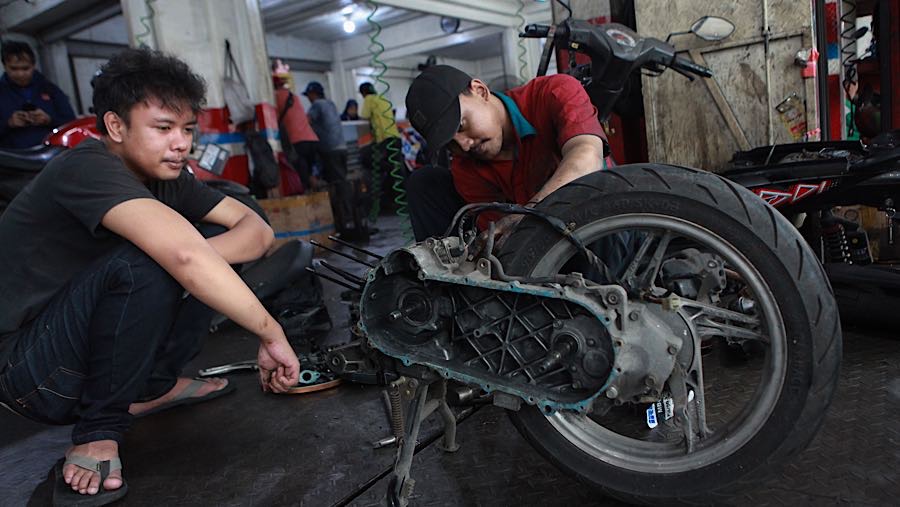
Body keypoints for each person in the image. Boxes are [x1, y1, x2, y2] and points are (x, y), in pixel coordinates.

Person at [0, 48, 300, 505]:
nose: (181, 143)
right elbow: (181, 254)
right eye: (163, 129)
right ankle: (97, 430)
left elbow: (256, 230)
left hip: (84, 345)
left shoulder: (167, 177)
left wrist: (192, 260)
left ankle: (152, 386)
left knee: (186, 250)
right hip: (29, 371)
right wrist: (269, 331)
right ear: (116, 127)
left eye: (187, 130)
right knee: (163, 256)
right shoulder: (84, 166)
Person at [404, 65, 608, 243]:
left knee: (590, 206)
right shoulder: (465, 167)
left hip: (604, 225)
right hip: (544, 247)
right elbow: (500, 237)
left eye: (460, 126)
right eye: (450, 144)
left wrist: (528, 214)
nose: (464, 146)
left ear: (480, 91)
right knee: (424, 182)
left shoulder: (555, 91)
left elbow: (587, 156)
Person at [0, 40, 76, 149]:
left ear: (33, 65)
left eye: (25, 68)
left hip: (50, 155)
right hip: (12, 158)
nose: (20, 74)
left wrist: (49, 120)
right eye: (14, 69)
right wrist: (9, 123)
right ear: (5, 66)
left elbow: (71, 122)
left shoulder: (50, 89)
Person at [302, 81, 354, 234]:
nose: (309, 99)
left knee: (337, 184)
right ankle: (348, 216)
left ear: (314, 94)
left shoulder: (317, 105)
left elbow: (306, 122)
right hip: (341, 148)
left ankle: (345, 220)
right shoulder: (330, 103)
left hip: (329, 149)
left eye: (309, 95)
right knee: (341, 181)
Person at [272, 61, 319, 190]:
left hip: (297, 142)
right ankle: (319, 199)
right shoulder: (294, 97)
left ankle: (308, 202)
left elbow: (273, 121)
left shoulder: (275, 97)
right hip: (312, 140)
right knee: (310, 174)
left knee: (300, 177)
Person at [358, 82, 404, 212]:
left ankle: (383, 200)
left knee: (370, 161)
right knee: (394, 173)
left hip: (385, 140)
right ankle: (393, 202)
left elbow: (363, 116)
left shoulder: (369, 99)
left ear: (364, 93)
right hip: (396, 139)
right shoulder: (383, 99)